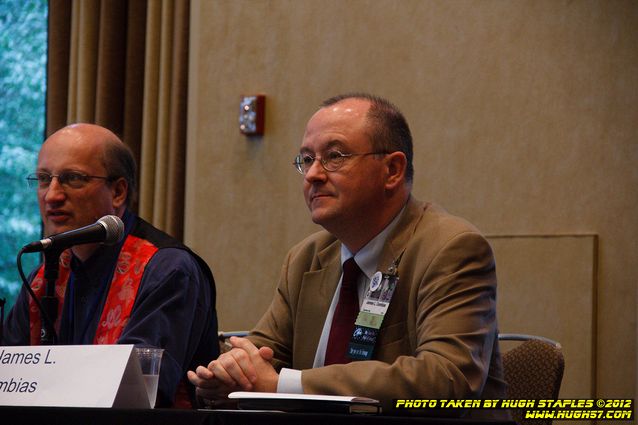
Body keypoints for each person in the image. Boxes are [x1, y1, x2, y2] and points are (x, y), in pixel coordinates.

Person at [188, 93, 506, 417]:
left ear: (393, 170)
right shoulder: (306, 258)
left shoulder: (450, 249)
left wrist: (285, 386)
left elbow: (445, 379)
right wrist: (225, 373)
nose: (313, 174)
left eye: (334, 156)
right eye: (306, 159)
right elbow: (260, 355)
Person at [1, 123, 219, 408]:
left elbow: (136, 389)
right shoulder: (45, 277)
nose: (52, 195)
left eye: (73, 179)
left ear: (117, 191)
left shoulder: (167, 269)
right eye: (44, 179)